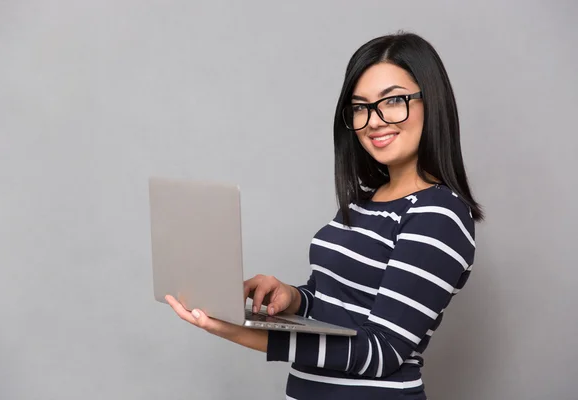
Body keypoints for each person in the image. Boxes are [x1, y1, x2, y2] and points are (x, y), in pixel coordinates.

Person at [166, 31, 483, 400]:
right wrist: (295, 299)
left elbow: (380, 351)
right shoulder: (366, 201)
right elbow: (341, 307)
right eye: (361, 107)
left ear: (433, 102)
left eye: (394, 100)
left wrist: (235, 331)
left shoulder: (438, 215)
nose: (374, 121)